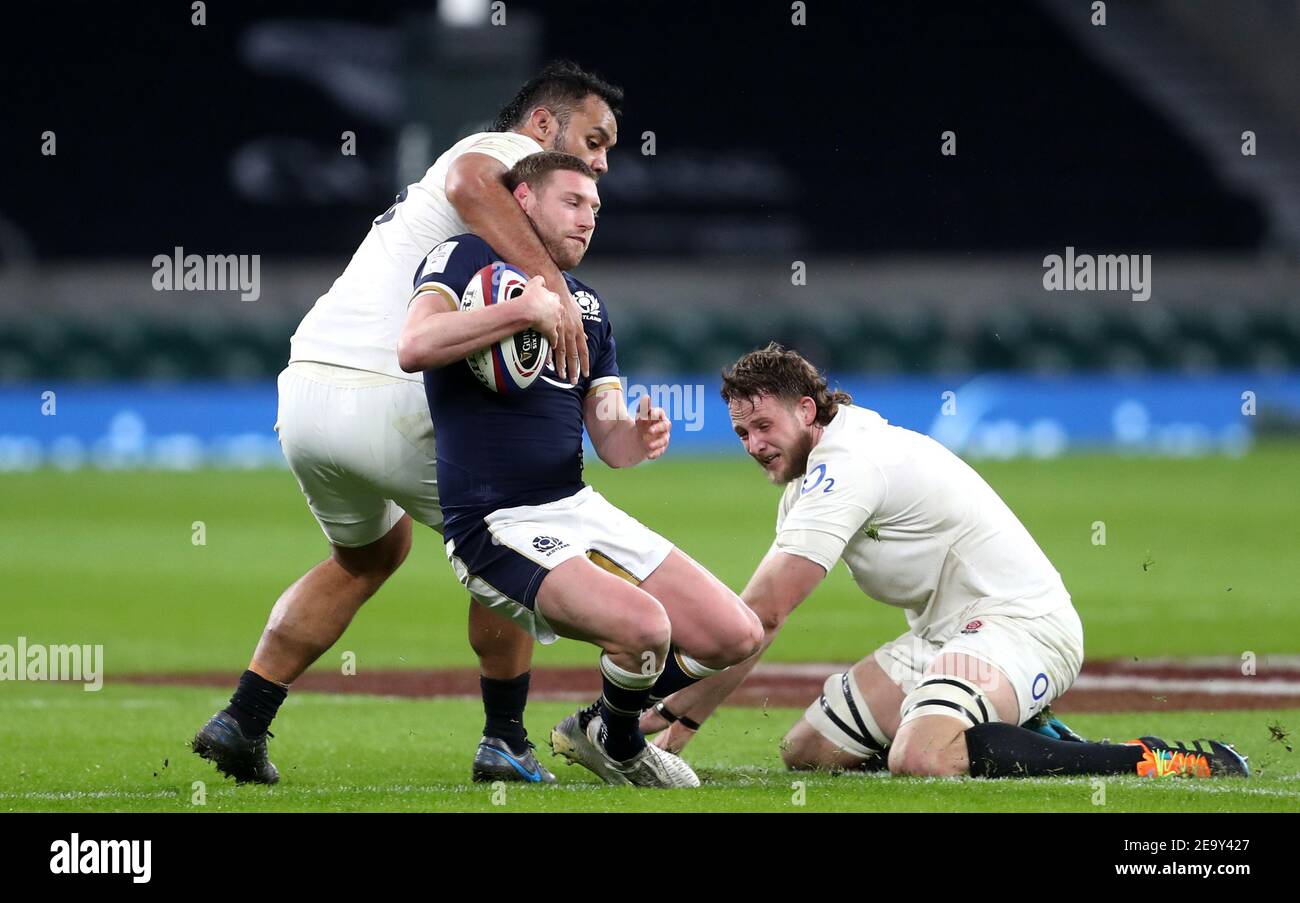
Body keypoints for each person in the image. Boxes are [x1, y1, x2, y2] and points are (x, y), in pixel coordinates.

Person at [192, 61, 624, 786]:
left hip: (307, 394)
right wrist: (549, 283)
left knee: (369, 554)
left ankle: (243, 716)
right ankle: (507, 738)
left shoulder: (476, 199)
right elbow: (468, 183)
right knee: (514, 531)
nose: (603, 162)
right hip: (388, 388)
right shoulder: (499, 157)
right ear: (544, 127)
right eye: (594, 138)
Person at [641, 344, 1250, 780]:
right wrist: (684, 730)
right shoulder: (812, 480)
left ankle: (1152, 758)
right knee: (809, 752)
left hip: (1021, 627)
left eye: (763, 425)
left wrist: (665, 707)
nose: (753, 445)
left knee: (924, 757)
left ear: (806, 410)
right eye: (742, 433)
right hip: (942, 637)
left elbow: (765, 613)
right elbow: (754, 624)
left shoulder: (851, 465)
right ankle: (1014, 734)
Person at [399, 152, 764, 787]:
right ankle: (622, 745)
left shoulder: (587, 306)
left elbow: (611, 443)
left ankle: (601, 726)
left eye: (595, 208)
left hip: (573, 504)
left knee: (735, 634)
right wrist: (526, 311)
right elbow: (414, 347)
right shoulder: (466, 259)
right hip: (494, 522)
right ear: (524, 202)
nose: (588, 218)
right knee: (647, 628)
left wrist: (638, 433)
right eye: (573, 202)